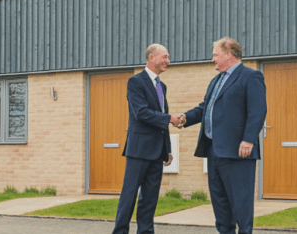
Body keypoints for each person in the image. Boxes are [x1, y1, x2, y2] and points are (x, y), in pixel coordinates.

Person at [179, 37, 267, 234]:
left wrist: (248, 139)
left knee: (241, 202)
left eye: (215, 55)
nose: (213, 59)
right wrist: (185, 118)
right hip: (214, 150)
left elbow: (258, 111)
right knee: (219, 202)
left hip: (238, 151)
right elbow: (205, 108)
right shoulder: (216, 80)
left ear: (228, 54)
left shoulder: (250, 77)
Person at [112, 44, 183, 234]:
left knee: (150, 198)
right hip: (139, 149)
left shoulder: (163, 86)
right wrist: (169, 119)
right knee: (129, 195)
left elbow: (161, 116)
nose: (168, 61)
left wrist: (167, 148)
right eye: (165, 57)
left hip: (157, 151)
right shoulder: (135, 82)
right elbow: (141, 113)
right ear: (152, 58)